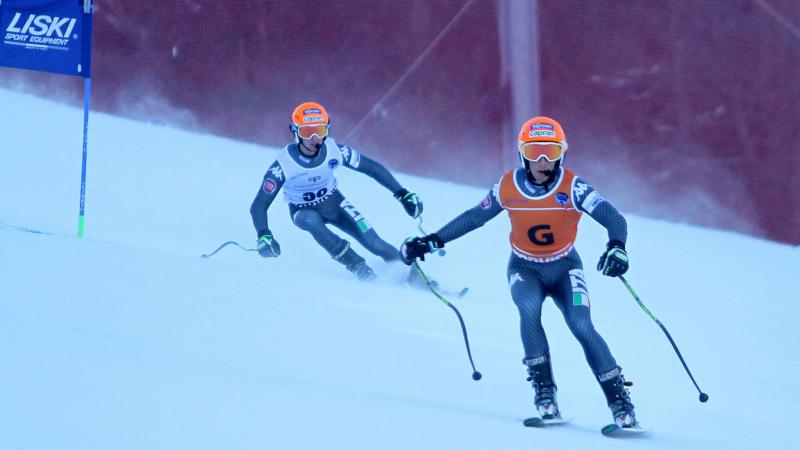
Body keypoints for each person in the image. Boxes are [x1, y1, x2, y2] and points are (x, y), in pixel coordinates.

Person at [400, 116, 639, 428]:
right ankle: (545, 394)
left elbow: (613, 217)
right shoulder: (508, 186)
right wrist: (432, 241)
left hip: (566, 266)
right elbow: (475, 217)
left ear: (562, 154)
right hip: (524, 268)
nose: (542, 161)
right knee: (529, 311)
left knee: (581, 325)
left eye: (551, 152)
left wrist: (617, 246)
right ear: (522, 154)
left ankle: (620, 401)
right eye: (534, 151)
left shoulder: (574, 187)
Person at [250, 101, 423, 281]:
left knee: (375, 243)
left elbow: (373, 168)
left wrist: (402, 194)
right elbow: (259, 205)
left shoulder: (334, 151)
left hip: (335, 202)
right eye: (307, 132)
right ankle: (356, 265)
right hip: (302, 210)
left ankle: (413, 274)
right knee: (310, 221)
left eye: (321, 131)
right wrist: (264, 235)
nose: (315, 138)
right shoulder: (284, 164)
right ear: (296, 132)